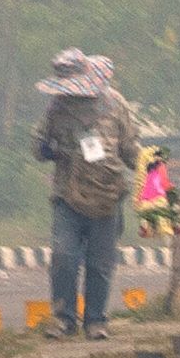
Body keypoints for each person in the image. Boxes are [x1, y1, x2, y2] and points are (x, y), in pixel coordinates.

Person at [31, 50, 145, 336]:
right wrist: (49, 150)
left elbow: (131, 148)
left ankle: (96, 321)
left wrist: (151, 172)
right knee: (64, 257)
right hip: (68, 196)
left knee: (100, 263)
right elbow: (37, 144)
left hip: (107, 196)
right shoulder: (56, 109)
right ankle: (63, 318)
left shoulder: (116, 104)